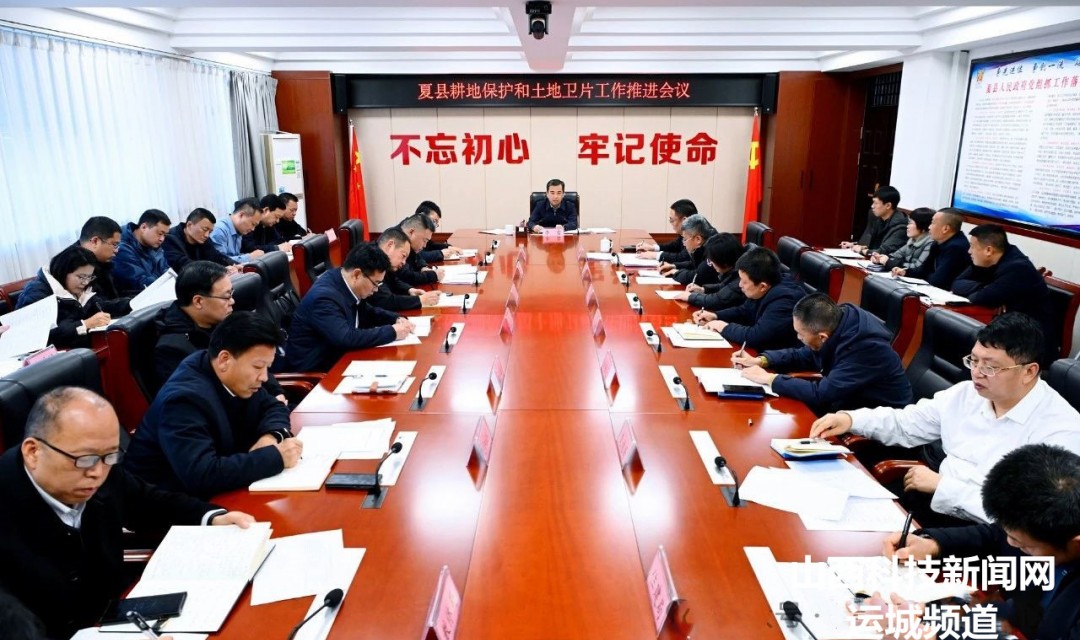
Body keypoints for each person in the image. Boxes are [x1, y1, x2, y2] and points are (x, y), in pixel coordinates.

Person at [0, 387, 253, 639]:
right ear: (33, 452)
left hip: (119, 616)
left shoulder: (100, 466)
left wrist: (210, 517)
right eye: (85, 459)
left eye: (110, 456)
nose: (98, 473)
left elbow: (149, 502)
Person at [810, 312, 1080, 526]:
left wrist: (945, 487)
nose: (977, 373)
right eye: (973, 361)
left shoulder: (1060, 431)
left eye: (990, 366)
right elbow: (907, 423)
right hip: (932, 502)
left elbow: (1028, 516)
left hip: (986, 534)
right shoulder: (967, 394)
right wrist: (850, 419)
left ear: (1029, 371)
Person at [884, 444, 1080, 640]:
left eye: (1023, 544)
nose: (1009, 542)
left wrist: (931, 635)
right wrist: (934, 545)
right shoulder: (1047, 529)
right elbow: (995, 537)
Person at [125, 312, 300, 498]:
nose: (264, 377)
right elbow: (202, 475)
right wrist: (274, 458)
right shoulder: (183, 401)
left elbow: (274, 406)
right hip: (167, 503)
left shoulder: (226, 373)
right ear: (224, 359)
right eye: (258, 367)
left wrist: (270, 436)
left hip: (221, 486)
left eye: (267, 367)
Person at [732, 293, 913, 416]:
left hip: (876, 429)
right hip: (845, 407)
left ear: (822, 337)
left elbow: (821, 394)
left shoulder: (865, 350)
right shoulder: (840, 323)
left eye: (801, 335)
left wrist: (770, 379)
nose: (798, 338)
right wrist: (762, 360)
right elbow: (804, 355)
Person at [153, 261, 287, 402]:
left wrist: (276, 393)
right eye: (226, 297)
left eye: (231, 293)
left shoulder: (223, 322)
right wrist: (270, 404)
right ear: (198, 301)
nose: (232, 301)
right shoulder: (172, 349)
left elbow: (256, 362)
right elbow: (207, 400)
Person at [284, 244, 414, 372]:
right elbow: (346, 338)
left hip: (342, 360)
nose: (376, 290)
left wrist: (396, 318)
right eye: (375, 283)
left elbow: (368, 311)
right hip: (318, 373)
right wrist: (392, 332)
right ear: (357, 274)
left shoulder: (342, 280)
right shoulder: (324, 299)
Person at [952, 224, 1051, 361]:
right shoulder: (986, 261)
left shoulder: (1018, 267)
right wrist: (987, 287)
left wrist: (988, 291)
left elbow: (979, 298)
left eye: (972, 246)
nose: (969, 251)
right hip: (1004, 328)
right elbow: (957, 284)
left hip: (1026, 339)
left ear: (988, 250)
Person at [698, 247, 805, 351]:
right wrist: (716, 315)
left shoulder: (785, 300)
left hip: (778, 358)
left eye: (744, 282)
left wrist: (724, 327)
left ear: (762, 286)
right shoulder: (765, 286)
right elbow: (744, 311)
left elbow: (756, 337)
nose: (740, 285)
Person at [16, 246, 114, 349]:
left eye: (89, 277)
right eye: (81, 277)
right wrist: (85, 324)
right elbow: (41, 335)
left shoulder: (75, 288)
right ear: (63, 271)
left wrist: (125, 304)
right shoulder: (36, 293)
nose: (85, 282)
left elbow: (101, 305)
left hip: (78, 349)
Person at [894, 208, 970, 290]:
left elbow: (938, 280)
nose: (929, 227)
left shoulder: (956, 247)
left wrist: (925, 275)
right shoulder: (937, 242)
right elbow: (924, 269)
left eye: (933, 223)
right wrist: (905, 272)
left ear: (945, 229)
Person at [370, 228, 441, 311]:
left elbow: (393, 280)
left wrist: (409, 290)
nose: (404, 262)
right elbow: (385, 301)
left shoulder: (382, 259)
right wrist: (420, 300)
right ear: (390, 245)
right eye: (403, 256)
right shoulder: (371, 260)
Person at [73, 216, 132, 316]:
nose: (117, 250)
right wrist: (132, 303)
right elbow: (96, 307)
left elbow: (117, 293)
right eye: (114, 244)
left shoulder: (101, 261)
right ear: (95, 241)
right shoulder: (74, 266)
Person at [678, 232, 746, 311]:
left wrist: (690, 297)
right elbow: (723, 287)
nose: (711, 264)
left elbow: (716, 301)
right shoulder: (734, 270)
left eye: (711, 260)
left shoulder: (741, 278)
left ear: (724, 261)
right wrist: (703, 289)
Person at [113, 208, 171, 294]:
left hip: (158, 292)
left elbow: (165, 270)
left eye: (164, 235)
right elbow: (140, 281)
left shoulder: (152, 243)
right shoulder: (122, 248)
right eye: (160, 233)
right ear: (144, 227)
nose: (162, 239)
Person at [163, 207, 239, 271]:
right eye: (205, 229)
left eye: (210, 232)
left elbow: (217, 256)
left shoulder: (204, 239)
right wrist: (222, 269)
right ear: (189, 225)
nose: (207, 235)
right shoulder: (170, 239)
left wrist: (236, 265)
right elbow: (185, 265)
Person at [843, 186, 908, 257]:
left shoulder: (901, 227)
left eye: (875, 203)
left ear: (888, 205)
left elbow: (883, 251)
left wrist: (861, 250)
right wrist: (854, 245)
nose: (872, 206)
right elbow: (874, 247)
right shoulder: (879, 220)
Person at [658, 213, 719, 286]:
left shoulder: (714, 249)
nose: (684, 244)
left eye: (685, 239)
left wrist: (676, 273)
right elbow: (695, 264)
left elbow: (697, 277)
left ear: (698, 239)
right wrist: (674, 266)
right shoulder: (704, 242)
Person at [870, 207, 934, 273]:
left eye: (911, 223)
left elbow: (917, 267)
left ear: (923, 227)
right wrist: (880, 258)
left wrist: (890, 262)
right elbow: (895, 255)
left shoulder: (930, 243)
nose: (907, 226)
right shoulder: (912, 241)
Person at [636, 199, 698, 266]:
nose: (671, 223)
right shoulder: (688, 232)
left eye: (672, 220)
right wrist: (652, 247)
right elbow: (673, 246)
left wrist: (655, 255)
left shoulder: (696, 236)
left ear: (684, 221)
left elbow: (682, 257)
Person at [396, 213, 445, 287]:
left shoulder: (406, 234)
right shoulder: (396, 241)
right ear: (411, 232)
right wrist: (433, 275)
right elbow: (406, 276)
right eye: (424, 241)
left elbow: (417, 255)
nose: (424, 245)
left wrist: (423, 267)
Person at [210, 198, 263, 263]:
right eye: (253, 224)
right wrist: (250, 257)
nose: (253, 229)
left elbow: (235, 255)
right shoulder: (219, 230)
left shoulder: (238, 229)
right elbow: (221, 261)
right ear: (241, 215)